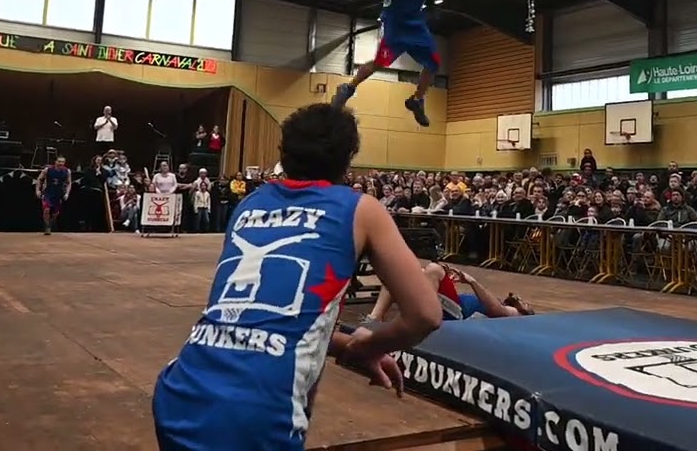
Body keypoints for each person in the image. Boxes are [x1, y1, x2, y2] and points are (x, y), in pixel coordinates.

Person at [152, 103, 442, 451]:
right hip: (258, 411)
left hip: (181, 390)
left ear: (284, 153)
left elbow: (258, 319)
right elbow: (425, 314)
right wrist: (366, 347)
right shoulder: (360, 208)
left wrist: (343, 345)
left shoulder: (250, 204)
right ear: (348, 158)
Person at [331, 0, 468, 127]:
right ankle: (348, 87)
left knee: (433, 63)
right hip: (395, 18)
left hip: (415, 21)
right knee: (381, 62)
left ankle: (417, 100)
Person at [365, 261, 534, 322]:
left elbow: (498, 311)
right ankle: (374, 319)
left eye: (527, 305)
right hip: (449, 304)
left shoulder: (514, 315)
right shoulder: (499, 301)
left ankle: (422, 316)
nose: (523, 301)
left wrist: (472, 281)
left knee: (434, 269)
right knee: (398, 272)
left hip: (455, 312)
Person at [35, 155, 71, 236]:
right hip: (48, 192)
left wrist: (67, 193)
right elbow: (39, 179)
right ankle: (47, 227)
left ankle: (50, 224)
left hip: (59, 194)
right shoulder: (48, 170)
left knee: (55, 214)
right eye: (59, 161)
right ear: (55, 162)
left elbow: (69, 183)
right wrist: (37, 190)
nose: (61, 163)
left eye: (63, 162)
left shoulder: (67, 171)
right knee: (46, 210)